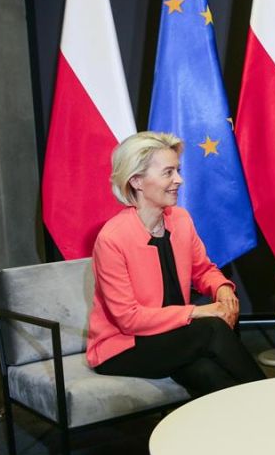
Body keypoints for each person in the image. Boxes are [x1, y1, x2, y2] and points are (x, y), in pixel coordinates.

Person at [86, 131, 265, 396]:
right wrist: (196, 312)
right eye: (168, 172)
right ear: (136, 180)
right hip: (124, 346)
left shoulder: (180, 219)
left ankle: (248, 430)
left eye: (177, 170)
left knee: (207, 372)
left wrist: (223, 289)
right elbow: (129, 319)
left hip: (172, 336)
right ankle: (272, 398)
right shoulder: (112, 239)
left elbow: (203, 270)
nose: (179, 180)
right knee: (212, 326)